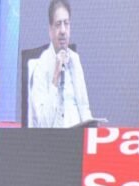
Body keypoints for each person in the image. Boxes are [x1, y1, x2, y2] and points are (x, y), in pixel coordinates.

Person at [29, 0, 93, 128]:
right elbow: (43, 124)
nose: (63, 30)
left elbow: (84, 109)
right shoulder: (41, 67)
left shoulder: (75, 60)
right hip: (53, 138)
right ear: (50, 30)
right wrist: (56, 75)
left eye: (66, 23)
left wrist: (91, 131)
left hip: (77, 135)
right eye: (58, 24)